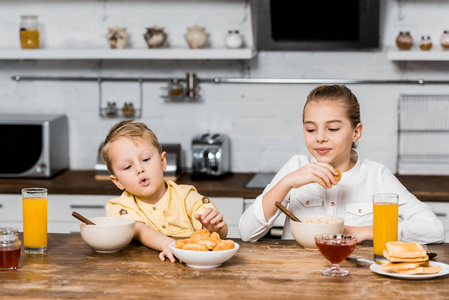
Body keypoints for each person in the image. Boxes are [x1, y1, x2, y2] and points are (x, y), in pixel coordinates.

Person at [239, 84, 445, 244]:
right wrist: (287, 183)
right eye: (311, 130)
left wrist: (360, 232)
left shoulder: (376, 176)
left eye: (333, 128)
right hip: (298, 280)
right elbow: (247, 234)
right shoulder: (296, 167)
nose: (319, 138)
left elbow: (434, 229)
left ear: (356, 132)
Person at [101, 120, 228, 262]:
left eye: (145, 159)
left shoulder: (188, 197)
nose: (139, 169)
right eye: (127, 167)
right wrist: (166, 244)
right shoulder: (119, 207)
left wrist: (215, 228)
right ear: (117, 181)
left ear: (163, 161)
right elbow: (138, 230)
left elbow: (220, 236)